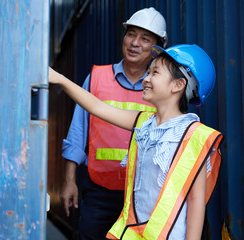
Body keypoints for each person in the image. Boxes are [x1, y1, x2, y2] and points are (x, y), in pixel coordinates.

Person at [49, 44, 224, 239]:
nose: (146, 79)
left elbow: (196, 201)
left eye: (154, 73)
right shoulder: (143, 124)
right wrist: (60, 79)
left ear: (178, 85)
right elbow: (98, 107)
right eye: (148, 72)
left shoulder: (194, 137)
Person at [60, 7, 167, 240]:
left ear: (157, 49)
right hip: (99, 192)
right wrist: (69, 181)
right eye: (131, 34)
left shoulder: (161, 87)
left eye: (145, 38)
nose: (135, 43)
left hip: (144, 195)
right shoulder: (97, 78)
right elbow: (77, 133)